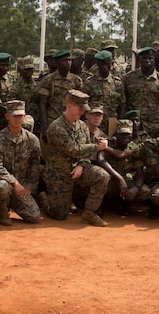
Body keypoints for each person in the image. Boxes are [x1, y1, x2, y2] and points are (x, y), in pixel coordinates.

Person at [41, 89, 109, 226]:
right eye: (80, 108)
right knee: (60, 215)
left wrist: (81, 165)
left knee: (102, 176)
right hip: (59, 173)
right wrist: (98, 147)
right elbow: (73, 149)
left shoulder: (82, 126)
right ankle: (43, 197)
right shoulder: (56, 127)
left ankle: (89, 213)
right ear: (70, 106)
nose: (83, 112)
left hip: (77, 168)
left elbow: (85, 150)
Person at [0, 100, 43, 225]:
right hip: (6, 183)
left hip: (22, 186)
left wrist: (29, 187)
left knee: (34, 217)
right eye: (14, 115)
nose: (17, 119)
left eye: (20, 116)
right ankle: (3, 212)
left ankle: (15, 203)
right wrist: (14, 182)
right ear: (7, 116)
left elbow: (35, 165)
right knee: (2, 186)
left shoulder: (32, 140)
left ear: (24, 116)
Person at [38, 50, 84, 127]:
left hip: (71, 120)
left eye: (70, 60)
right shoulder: (48, 80)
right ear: (57, 62)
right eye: (65, 60)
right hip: (53, 120)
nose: (69, 63)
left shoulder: (76, 80)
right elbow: (42, 104)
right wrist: (44, 126)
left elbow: (81, 103)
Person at [83, 50, 125, 121]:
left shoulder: (118, 83)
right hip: (94, 122)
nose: (104, 67)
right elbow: (84, 104)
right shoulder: (90, 82)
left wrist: (119, 122)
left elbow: (122, 105)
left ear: (111, 65)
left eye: (107, 64)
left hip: (112, 122)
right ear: (98, 64)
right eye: (102, 64)